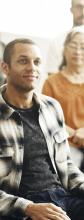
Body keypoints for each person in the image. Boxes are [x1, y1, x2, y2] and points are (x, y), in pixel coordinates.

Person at [0, 38, 84, 220]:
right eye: (23, 61)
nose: (32, 68)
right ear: (5, 68)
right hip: (20, 208)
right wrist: (28, 208)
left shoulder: (52, 108)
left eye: (36, 62)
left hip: (62, 197)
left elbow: (66, 166)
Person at [43, 27, 84, 169]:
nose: (78, 52)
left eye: (83, 47)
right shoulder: (51, 82)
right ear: (64, 49)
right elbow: (46, 117)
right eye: (73, 46)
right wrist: (71, 133)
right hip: (64, 143)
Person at [46, 0, 84, 76]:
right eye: (79, 7)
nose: (83, 11)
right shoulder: (57, 42)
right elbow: (52, 83)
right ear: (71, 9)